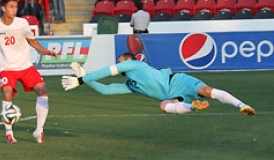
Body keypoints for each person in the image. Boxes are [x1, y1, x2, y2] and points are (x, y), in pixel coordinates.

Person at [61, 54, 256, 116]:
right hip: (172, 95)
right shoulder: (131, 84)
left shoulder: (134, 64)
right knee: (164, 106)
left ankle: (242, 105)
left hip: (178, 80)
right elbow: (106, 89)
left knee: (206, 91)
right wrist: (85, 77)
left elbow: (106, 72)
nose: (119, 63)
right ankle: (193, 106)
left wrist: (81, 80)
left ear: (128, 60)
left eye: (121, 60)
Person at [0, 0, 57, 144]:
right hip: (7, 68)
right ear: (3, 8)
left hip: (25, 66)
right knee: (7, 94)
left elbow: (31, 40)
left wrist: (44, 50)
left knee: (43, 91)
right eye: (11, 7)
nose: (14, 10)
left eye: (16, 7)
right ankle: (9, 133)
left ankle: (39, 130)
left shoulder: (22, 23)